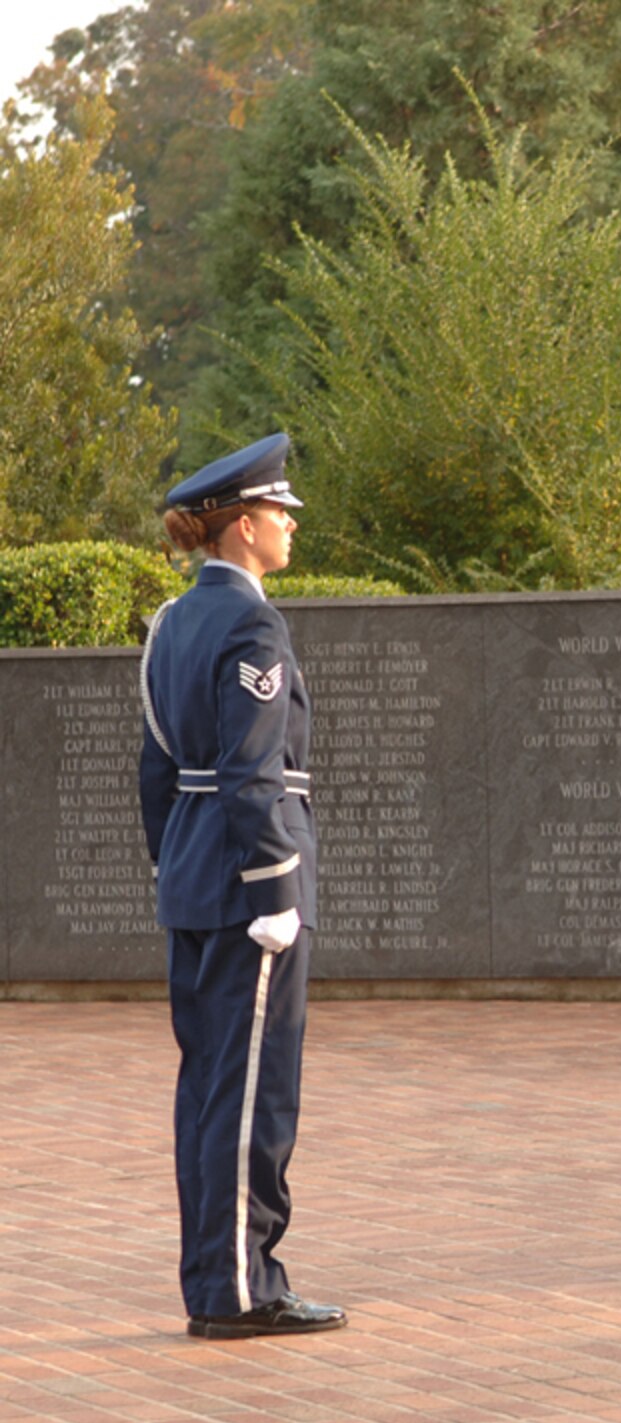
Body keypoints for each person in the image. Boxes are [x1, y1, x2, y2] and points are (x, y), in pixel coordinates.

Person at [138, 433, 345, 1339]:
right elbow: (253, 771)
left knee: (211, 1087)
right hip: (245, 885)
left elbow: (156, 774)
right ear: (246, 526)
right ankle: (238, 1289)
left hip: (195, 875)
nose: (293, 524)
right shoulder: (252, 625)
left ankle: (225, 1277)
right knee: (253, 1092)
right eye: (282, 512)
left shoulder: (172, 623)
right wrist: (272, 890)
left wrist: (177, 864)